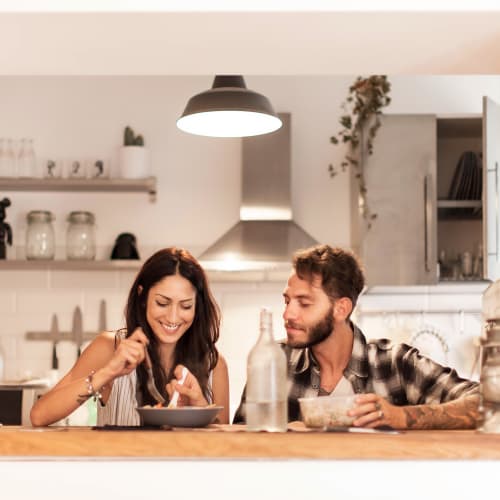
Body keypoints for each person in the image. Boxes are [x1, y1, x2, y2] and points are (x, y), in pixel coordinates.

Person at [234, 244, 479, 429]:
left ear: (341, 309)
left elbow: (485, 403)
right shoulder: (275, 362)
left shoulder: (394, 363)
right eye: (287, 301)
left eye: (304, 303)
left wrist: (400, 416)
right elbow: (239, 441)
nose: (288, 314)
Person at [31, 247, 229, 426]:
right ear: (142, 297)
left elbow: (226, 449)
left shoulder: (214, 364)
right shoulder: (109, 348)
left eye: (186, 306)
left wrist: (200, 406)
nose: (173, 317)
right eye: (162, 303)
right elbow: (39, 416)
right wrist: (107, 373)